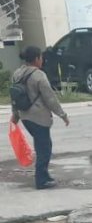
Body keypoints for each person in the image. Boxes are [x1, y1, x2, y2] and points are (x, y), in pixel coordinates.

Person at [9, 46, 69, 190]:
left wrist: (15, 116)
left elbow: (15, 97)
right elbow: (50, 98)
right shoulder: (39, 75)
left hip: (25, 117)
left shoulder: (17, 73)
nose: (42, 60)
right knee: (44, 148)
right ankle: (41, 180)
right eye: (41, 57)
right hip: (39, 117)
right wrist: (63, 115)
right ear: (36, 59)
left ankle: (44, 176)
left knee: (41, 145)